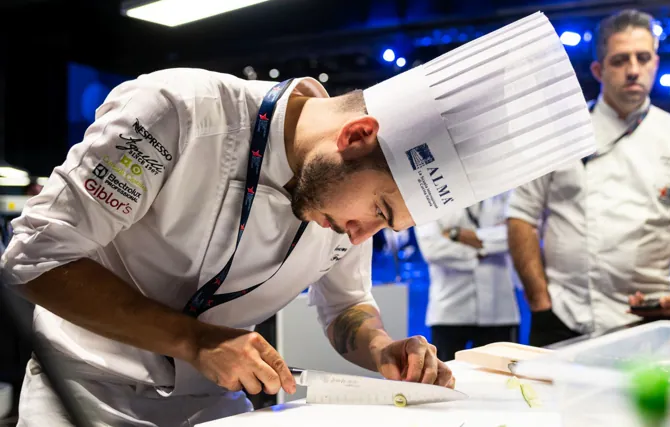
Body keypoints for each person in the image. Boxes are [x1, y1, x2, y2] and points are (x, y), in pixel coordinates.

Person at [0, 12, 596, 426]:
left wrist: (382, 347)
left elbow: (346, 307)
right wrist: (195, 340)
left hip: (220, 409)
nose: (363, 235)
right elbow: (34, 256)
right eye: (380, 211)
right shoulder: (177, 111)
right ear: (358, 136)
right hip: (85, 403)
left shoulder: (345, 197)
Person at [507, 9, 670, 348]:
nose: (634, 70)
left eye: (643, 58)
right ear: (598, 69)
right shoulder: (560, 135)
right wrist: (540, 303)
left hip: (649, 322)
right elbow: (521, 215)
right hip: (564, 318)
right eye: (620, 60)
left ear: (655, 62)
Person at [416, 193, 521, 362]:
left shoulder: (507, 191)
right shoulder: (430, 197)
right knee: (445, 380)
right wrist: (482, 249)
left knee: (502, 381)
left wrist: (456, 234)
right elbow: (431, 249)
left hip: (500, 310)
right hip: (449, 310)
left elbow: (516, 234)